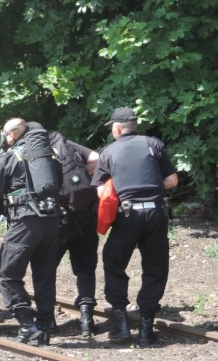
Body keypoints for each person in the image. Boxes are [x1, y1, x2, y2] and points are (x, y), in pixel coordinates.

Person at [91, 107, 178, 347]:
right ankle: (146, 330)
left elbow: (101, 191)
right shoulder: (154, 144)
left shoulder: (108, 152)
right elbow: (172, 181)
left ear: (117, 129)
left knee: (114, 262)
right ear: (134, 126)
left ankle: (120, 324)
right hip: (156, 213)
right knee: (155, 267)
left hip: (126, 215)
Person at [0, 119, 60, 345]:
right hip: (52, 220)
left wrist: (3, 211)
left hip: (26, 221)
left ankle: (27, 324)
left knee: (9, 274)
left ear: (13, 134)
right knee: (45, 273)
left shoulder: (11, 156)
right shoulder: (49, 154)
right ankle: (46, 326)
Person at [48, 130, 100, 337]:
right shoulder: (69, 145)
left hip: (60, 217)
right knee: (86, 266)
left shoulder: (38, 150)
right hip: (86, 214)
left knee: (47, 266)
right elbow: (96, 158)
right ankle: (87, 319)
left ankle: (48, 319)